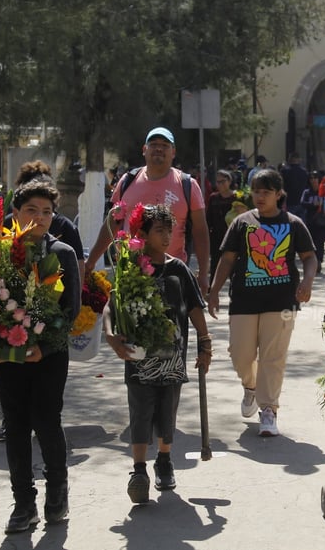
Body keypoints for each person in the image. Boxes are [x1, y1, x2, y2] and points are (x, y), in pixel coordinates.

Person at [102, 204, 211, 505]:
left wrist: (205, 342)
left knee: (167, 412)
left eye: (169, 230)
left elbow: (194, 308)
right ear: (143, 234)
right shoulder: (130, 266)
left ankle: (164, 460)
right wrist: (110, 335)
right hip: (138, 357)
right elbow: (111, 304)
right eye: (159, 230)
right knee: (140, 411)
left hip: (172, 359)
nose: (166, 236)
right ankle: (138, 471)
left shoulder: (178, 270)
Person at [0, 179, 81, 533]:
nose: (40, 217)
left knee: (46, 420)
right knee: (15, 426)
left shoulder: (62, 253)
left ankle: (57, 491)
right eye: (32, 210)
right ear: (15, 214)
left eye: (47, 212)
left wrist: (42, 347)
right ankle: (23, 503)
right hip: (9, 356)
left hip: (50, 355)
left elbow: (71, 310)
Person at [207, 169, 317, 437]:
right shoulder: (242, 223)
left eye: (266, 192)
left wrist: (307, 282)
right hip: (244, 298)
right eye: (256, 191)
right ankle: (250, 386)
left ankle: (269, 409)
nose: (260, 197)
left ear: (279, 194)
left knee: (273, 357)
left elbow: (310, 257)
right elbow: (228, 259)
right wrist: (213, 290)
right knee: (240, 354)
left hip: (283, 300)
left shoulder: (293, 223)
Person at [86, 127, 210, 295]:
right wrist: (91, 261)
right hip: (131, 273)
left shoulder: (187, 185)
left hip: (172, 274)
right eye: (153, 144)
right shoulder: (128, 181)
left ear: (173, 152)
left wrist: (203, 273)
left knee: (172, 321)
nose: (159, 148)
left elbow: (201, 231)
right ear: (144, 150)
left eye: (165, 145)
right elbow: (112, 224)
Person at [205, 169, 236, 282]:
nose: (220, 184)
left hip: (233, 237)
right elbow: (208, 219)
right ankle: (212, 291)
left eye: (222, 181)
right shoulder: (213, 198)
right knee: (215, 265)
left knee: (234, 267)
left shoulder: (237, 197)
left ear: (229, 181)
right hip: (217, 237)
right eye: (217, 182)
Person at [299, 170, 325, 272]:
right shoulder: (307, 192)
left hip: (322, 222)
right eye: (311, 178)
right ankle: (313, 262)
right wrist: (313, 204)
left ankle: (319, 261)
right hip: (311, 221)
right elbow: (302, 203)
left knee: (320, 242)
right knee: (311, 242)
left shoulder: (324, 191)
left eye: (315, 178)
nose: (313, 180)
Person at [280, 152, 308, 216]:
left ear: (290, 159)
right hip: (301, 201)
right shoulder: (304, 171)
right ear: (299, 159)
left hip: (289, 201)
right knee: (301, 223)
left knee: (290, 222)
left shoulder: (284, 171)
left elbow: (281, 186)